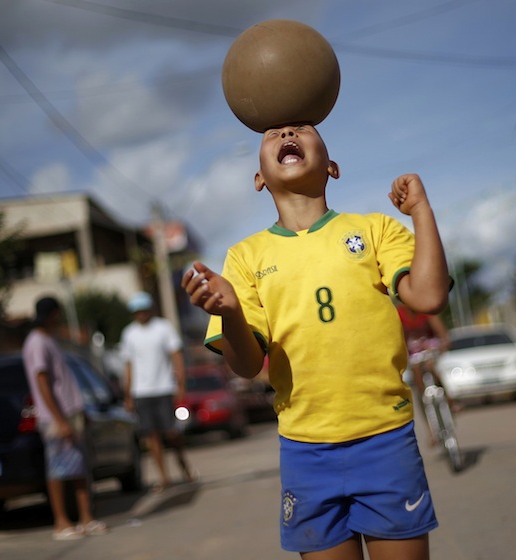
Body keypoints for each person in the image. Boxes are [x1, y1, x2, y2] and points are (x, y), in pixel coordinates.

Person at [181, 123, 451, 560]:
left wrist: (420, 211)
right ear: (258, 179)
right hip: (306, 452)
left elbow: (430, 296)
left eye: (302, 129)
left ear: (332, 166)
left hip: (384, 440)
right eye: (273, 133)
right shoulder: (244, 258)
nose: (287, 132)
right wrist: (229, 314)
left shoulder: (376, 230)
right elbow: (247, 366)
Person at [21, 296, 108, 541]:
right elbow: (42, 382)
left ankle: (85, 518)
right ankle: (61, 522)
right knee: (58, 471)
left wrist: (79, 413)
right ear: (52, 314)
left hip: (71, 413)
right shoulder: (37, 342)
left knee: (79, 467)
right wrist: (60, 420)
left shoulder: (48, 340)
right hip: (56, 417)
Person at [120, 291, 194, 492]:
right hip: (142, 392)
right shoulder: (129, 334)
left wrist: (181, 384)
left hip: (163, 388)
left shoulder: (163, 328)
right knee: (151, 436)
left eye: (143, 310)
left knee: (171, 433)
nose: (140, 314)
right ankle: (164, 477)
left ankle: (184, 468)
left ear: (149, 310)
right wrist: (127, 394)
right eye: (137, 311)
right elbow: (128, 365)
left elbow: (176, 356)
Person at [397, 305, 457, 445]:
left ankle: (450, 401)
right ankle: (432, 429)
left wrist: (443, 343)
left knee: (432, 367)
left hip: (429, 345)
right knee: (419, 388)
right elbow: (398, 338)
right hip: (412, 351)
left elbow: (441, 331)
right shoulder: (399, 314)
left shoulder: (423, 307)